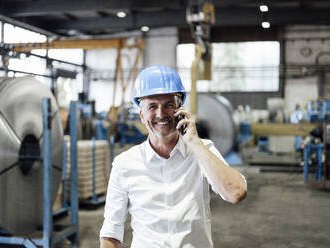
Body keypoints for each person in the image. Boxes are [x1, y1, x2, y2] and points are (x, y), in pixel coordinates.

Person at [100, 65, 247, 248]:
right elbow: (110, 236)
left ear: (180, 110)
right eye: (152, 106)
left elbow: (236, 193)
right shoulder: (124, 165)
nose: (161, 114)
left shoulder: (203, 152)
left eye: (168, 105)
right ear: (141, 114)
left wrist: (195, 142)